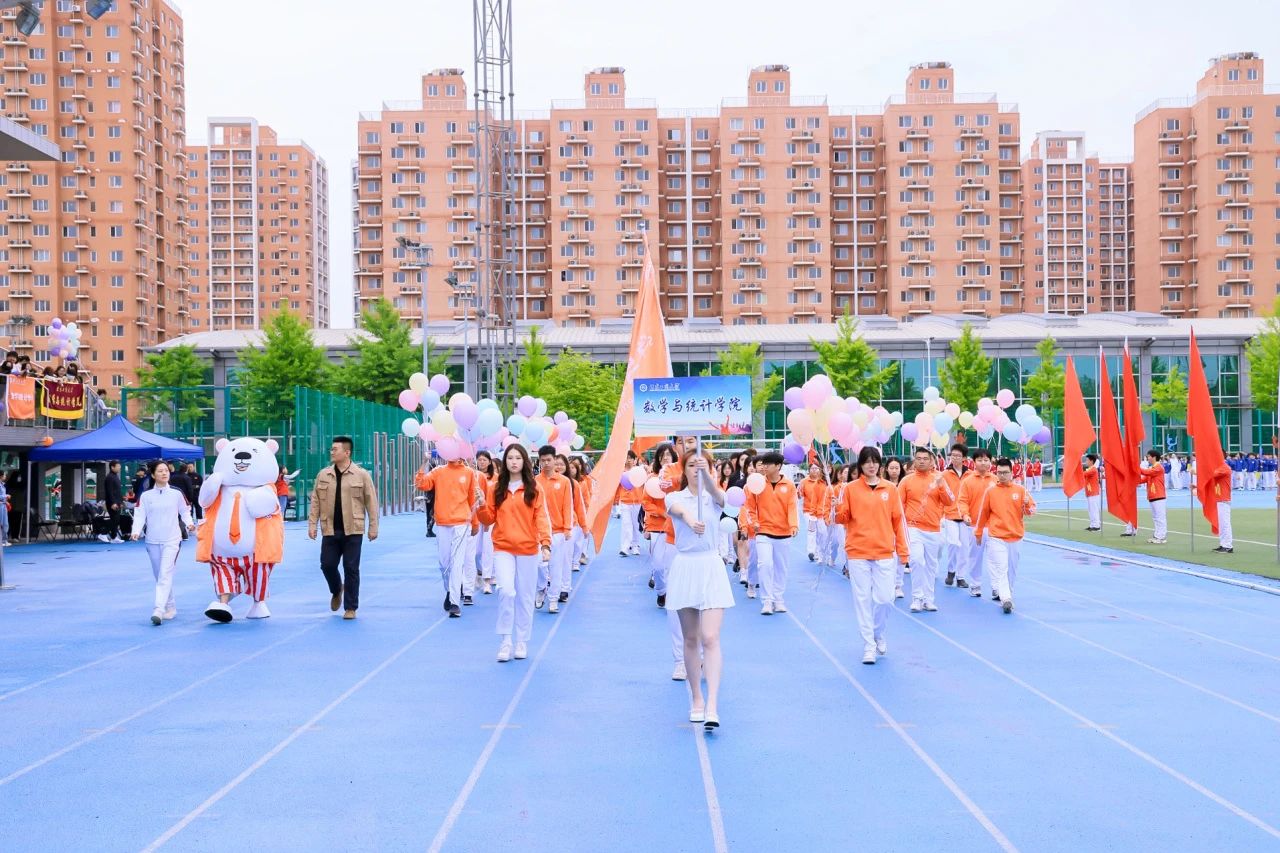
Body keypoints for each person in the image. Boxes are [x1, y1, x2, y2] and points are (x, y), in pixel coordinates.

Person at [665, 448, 733, 731]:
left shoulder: (714, 497)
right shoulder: (674, 497)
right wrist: (691, 521)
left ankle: (713, 704)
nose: (696, 469)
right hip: (686, 566)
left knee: (710, 636)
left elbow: (721, 499)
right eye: (691, 465)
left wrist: (708, 477)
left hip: (711, 566)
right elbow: (678, 512)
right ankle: (697, 698)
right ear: (683, 469)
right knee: (690, 639)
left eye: (701, 465)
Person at [478, 444, 552, 663]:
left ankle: (521, 641)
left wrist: (545, 544)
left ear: (524, 461)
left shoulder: (534, 489)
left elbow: (541, 517)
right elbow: (488, 519)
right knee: (507, 591)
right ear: (505, 461)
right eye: (510, 458)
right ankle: (506, 640)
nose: (513, 462)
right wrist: (481, 505)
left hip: (528, 549)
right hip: (503, 548)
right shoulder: (496, 489)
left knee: (525, 596)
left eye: (518, 458)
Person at [834, 446, 908, 664]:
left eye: (875, 461)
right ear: (861, 465)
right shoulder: (850, 489)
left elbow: (898, 521)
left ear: (879, 464)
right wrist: (837, 509)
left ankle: (877, 633)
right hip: (858, 551)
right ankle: (868, 645)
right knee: (862, 599)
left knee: (885, 599)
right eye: (867, 461)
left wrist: (903, 551)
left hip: (884, 551)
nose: (871, 465)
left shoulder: (890, 489)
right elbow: (841, 519)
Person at [308, 436, 379, 620]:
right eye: (331, 449)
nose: (331, 452)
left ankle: (351, 607)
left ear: (347, 452)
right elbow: (315, 501)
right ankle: (336, 589)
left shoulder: (361, 475)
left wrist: (373, 526)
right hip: (330, 529)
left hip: (353, 529)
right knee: (327, 565)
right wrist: (312, 524)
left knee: (351, 568)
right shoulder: (323, 474)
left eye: (335, 449)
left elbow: (371, 502)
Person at [416, 450, 484, 616]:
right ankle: (449, 590)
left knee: (457, 562)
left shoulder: (469, 473)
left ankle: (454, 603)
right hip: (443, 523)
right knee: (444, 564)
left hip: (462, 523)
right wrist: (424, 462)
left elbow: (472, 500)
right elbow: (421, 484)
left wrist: (475, 523)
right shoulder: (438, 471)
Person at [131, 460, 194, 625]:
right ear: (153, 475)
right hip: (152, 541)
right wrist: (136, 531)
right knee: (159, 575)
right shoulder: (146, 496)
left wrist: (189, 523)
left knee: (165, 574)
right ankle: (170, 607)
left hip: (172, 540)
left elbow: (185, 510)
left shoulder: (176, 493)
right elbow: (139, 515)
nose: (164, 473)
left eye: (166, 470)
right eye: (160, 471)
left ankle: (158, 609)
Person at [973, 458, 1036, 613]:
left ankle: (1008, 594)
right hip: (997, 536)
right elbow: (983, 514)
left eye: (1005, 473)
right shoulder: (991, 491)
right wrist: (978, 532)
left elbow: (1031, 511)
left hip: (1016, 536)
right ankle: (1006, 598)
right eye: (999, 473)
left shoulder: (1020, 490)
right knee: (1001, 568)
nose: (1002, 476)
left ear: (1011, 473)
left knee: (1011, 570)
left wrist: (1027, 504)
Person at [898, 447, 954, 613]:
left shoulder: (939, 479)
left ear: (931, 462)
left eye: (925, 458)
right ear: (914, 461)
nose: (921, 461)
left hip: (933, 529)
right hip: (913, 528)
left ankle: (928, 599)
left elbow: (950, 501)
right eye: (918, 458)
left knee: (931, 565)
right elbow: (898, 505)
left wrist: (941, 486)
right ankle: (917, 598)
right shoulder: (906, 481)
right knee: (916, 560)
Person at [742, 450, 798, 615]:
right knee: (765, 564)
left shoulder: (789, 486)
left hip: (784, 533)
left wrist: (794, 525)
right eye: (763, 464)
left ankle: (778, 599)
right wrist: (754, 522)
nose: (764, 467)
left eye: (768, 464)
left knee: (781, 568)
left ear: (778, 466)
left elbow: (792, 507)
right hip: (763, 532)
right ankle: (767, 600)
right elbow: (749, 507)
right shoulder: (757, 484)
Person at [957, 448, 996, 597]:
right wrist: (965, 515)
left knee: (995, 558)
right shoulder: (968, 481)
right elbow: (962, 501)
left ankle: (996, 587)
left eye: (986, 460)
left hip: (994, 526)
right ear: (974, 462)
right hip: (974, 526)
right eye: (980, 460)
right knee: (975, 557)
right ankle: (975, 584)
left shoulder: (996, 480)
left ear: (990, 462)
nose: (983, 463)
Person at [642, 444, 678, 606]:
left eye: (668, 454)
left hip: (675, 528)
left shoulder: (679, 477)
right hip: (657, 527)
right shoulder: (652, 479)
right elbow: (645, 502)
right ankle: (661, 591)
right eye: (662, 455)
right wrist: (661, 512)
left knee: (672, 565)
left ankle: (672, 594)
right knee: (657, 566)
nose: (665, 457)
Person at [474, 450, 497, 595]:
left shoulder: (496, 478)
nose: (482, 462)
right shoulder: (473, 476)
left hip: (491, 516)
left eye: (484, 460)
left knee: (488, 549)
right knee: (476, 551)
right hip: (476, 515)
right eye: (479, 460)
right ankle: (479, 571)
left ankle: (487, 580)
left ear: (489, 462)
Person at [799, 464, 830, 563]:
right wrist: (799, 492)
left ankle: (819, 552)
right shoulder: (804, 482)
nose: (814, 470)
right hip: (808, 511)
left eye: (816, 468)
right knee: (812, 531)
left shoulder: (825, 482)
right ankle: (811, 551)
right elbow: (799, 495)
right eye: (812, 468)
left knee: (821, 533)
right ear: (809, 470)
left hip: (821, 512)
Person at [617, 453, 646, 557]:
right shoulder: (620, 472)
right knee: (626, 524)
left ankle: (635, 545)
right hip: (625, 502)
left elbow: (645, 485)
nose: (628, 460)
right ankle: (625, 547)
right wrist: (616, 499)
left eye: (630, 458)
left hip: (638, 502)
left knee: (636, 525)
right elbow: (617, 487)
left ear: (635, 460)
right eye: (627, 458)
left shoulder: (639, 471)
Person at [1138, 449, 1168, 545]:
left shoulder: (1158, 467)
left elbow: (1145, 472)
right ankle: (1157, 535)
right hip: (1152, 496)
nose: (1147, 458)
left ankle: (1161, 537)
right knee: (1156, 518)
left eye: (1148, 456)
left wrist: (1135, 467)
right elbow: (1142, 479)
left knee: (1160, 517)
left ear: (1154, 457)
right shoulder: (1152, 468)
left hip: (1159, 495)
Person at [1208, 460, 1234, 554]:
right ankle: (1223, 544)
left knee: (1225, 523)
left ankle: (1228, 546)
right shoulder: (1219, 468)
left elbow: (1210, 475)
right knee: (1222, 524)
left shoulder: (1224, 468)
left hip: (1223, 499)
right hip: (1219, 499)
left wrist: (1197, 472)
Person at [99, 460, 125, 544]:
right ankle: (103, 533)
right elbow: (109, 491)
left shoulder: (115, 476)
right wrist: (113, 503)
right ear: (112, 467)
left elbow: (118, 491)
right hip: (112, 502)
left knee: (116, 520)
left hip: (117, 501)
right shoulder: (109, 477)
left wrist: (120, 502)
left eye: (119, 466)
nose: (119, 468)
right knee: (114, 519)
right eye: (118, 466)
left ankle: (114, 537)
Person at [1083, 454, 1103, 531]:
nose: (1086, 462)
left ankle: (1097, 526)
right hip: (1089, 492)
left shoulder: (1093, 470)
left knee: (1094, 510)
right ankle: (1092, 525)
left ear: (1091, 461)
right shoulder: (1090, 469)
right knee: (1090, 510)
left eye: (1087, 460)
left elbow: (1083, 474)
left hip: (1093, 493)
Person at [0, 471, 10, 546]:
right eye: (4, 475)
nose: (5, 476)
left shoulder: (3, 484)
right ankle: (1, 541)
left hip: (3, 505)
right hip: (0, 505)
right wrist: (6, 496)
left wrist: (6, 501)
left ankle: (4, 540)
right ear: (1, 476)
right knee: (0, 523)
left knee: (5, 524)